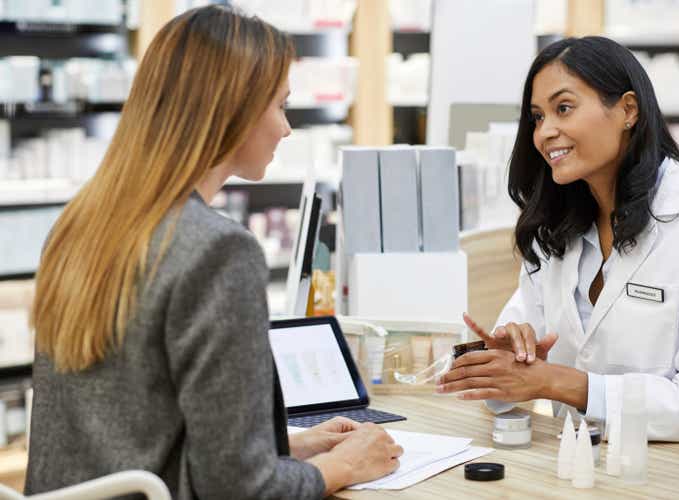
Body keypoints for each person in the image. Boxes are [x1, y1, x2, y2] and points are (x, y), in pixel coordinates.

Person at [25, 6, 402, 499]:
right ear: (236, 110)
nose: (286, 129)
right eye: (280, 106)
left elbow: (124, 432)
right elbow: (240, 491)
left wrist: (287, 446)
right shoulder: (219, 251)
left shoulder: (81, 226)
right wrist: (346, 466)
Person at [437, 36, 679, 442]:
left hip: (670, 476)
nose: (545, 132)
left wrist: (562, 383)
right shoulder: (555, 229)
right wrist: (502, 363)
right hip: (575, 469)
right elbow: (510, 383)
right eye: (536, 117)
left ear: (628, 110)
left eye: (563, 108)